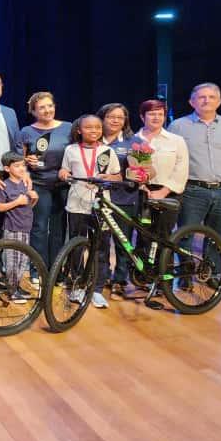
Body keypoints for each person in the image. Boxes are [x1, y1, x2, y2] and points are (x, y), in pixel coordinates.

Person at [167, 83, 221, 290]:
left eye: (212, 97)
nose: (207, 100)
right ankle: (185, 272)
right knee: (185, 234)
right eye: (201, 97)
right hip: (193, 189)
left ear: (219, 101)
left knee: (218, 235)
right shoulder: (178, 126)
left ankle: (210, 272)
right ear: (191, 102)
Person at [59, 115, 122, 308]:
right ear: (79, 130)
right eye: (88, 127)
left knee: (101, 247)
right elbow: (63, 170)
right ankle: (77, 285)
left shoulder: (107, 151)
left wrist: (109, 177)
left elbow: (118, 176)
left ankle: (96, 289)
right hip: (77, 204)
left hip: (101, 205)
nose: (94, 131)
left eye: (97, 127)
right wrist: (64, 174)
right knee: (77, 246)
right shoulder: (71, 150)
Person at [19, 92, 73, 271]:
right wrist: (27, 161)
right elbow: (19, 160)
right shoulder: (26, 131)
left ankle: (56, 269)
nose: (47, 110)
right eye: (41, 107)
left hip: (63, 185)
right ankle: (38, 269)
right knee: (39, 228)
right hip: (39, 184)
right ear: (33, 111)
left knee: (59, 228)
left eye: (50, 105)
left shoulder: (68, 127)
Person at [131, 99, 189, 242]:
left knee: (163, 236)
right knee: (143, 236)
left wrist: (163, 192)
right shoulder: (133, 139)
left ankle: (163, 258)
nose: (156, 117)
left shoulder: (176, 140)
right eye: (152, 114)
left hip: (168, 193)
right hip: (140, 193)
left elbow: (181, 169)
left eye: (160, 114)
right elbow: (130, 168)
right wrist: (142, 187)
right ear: (142, 116)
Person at [97, 103, 138, 298]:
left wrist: (121, 176)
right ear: (102, 118)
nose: (115, 121)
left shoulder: (134, 142)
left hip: (125, 199)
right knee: (101, 242)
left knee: (123, 243)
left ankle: (120, 280)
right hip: (98, 200)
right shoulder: (93, 138)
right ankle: (102, 276)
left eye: (120, 117)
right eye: (111, 117)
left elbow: (142, 172)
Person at [0, 151, 38, 303]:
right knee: (12, 261)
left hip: (26, 228)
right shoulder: (5, 185)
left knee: (23, 260)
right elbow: (0, 207)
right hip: (12, 229)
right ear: (7, 168)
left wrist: (34, 199)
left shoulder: (25, 184)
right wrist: (16, 202)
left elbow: (28, 206)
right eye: (17, 166)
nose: (21, 168)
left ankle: (16, 286)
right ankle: (11, 290)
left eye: (23, 165)